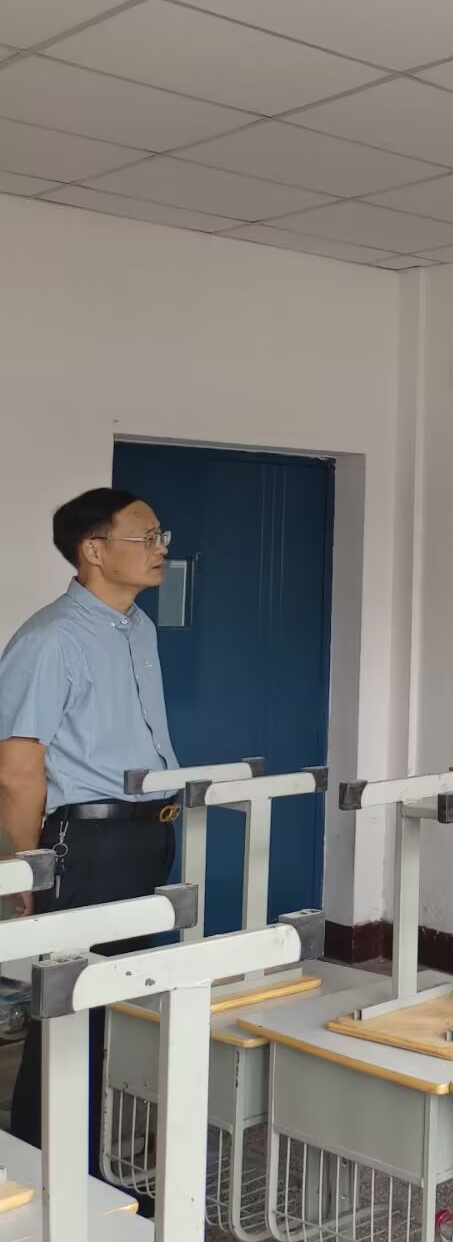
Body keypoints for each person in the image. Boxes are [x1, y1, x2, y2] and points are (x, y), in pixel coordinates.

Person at [0, 488, 181, 1167]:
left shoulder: (138, 628)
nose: (160, 549)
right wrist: (27, 865)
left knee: (119, 1003)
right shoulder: (49, 640)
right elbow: (17, 768)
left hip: (146, 832)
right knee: (70, 1012)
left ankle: (97, 1166)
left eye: (161, 535)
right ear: (94, 550)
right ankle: (43, 1169)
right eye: (146, 537)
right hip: (85, 842)